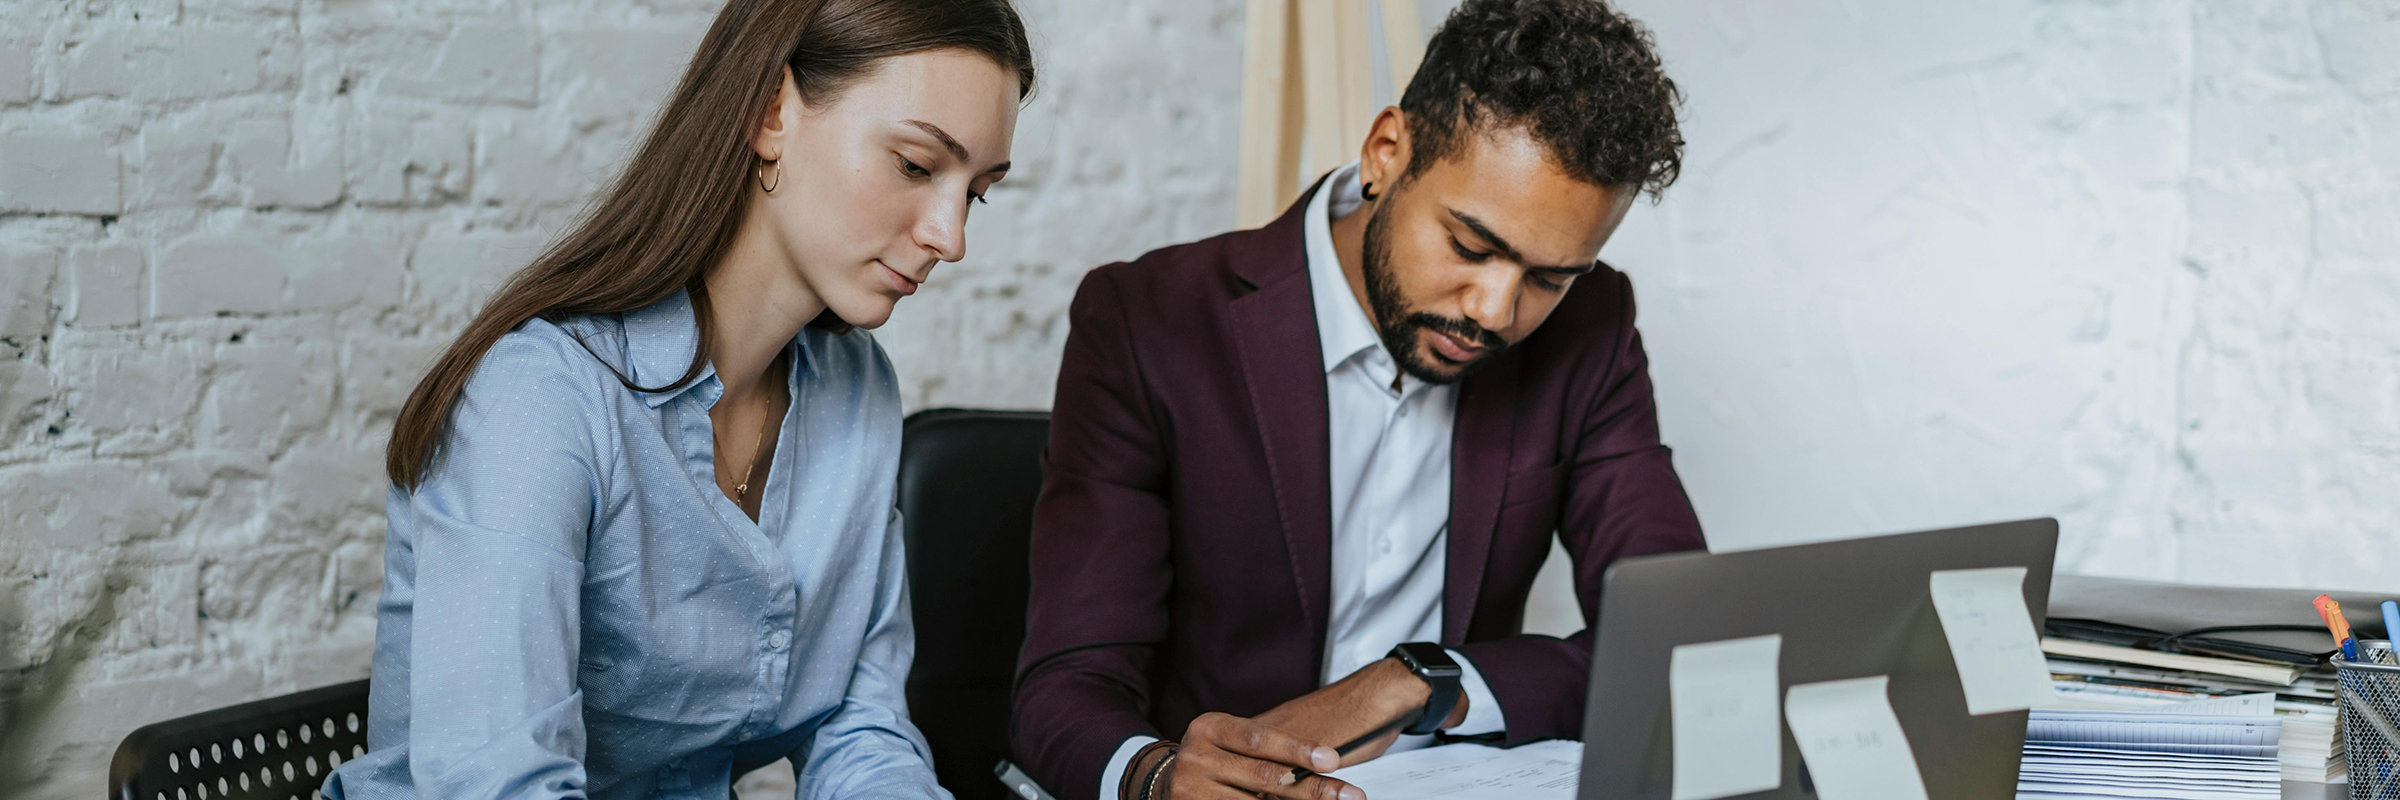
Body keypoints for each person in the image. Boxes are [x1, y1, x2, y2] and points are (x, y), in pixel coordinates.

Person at [322, 1, 1033, 798]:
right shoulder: (540, 399)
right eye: (914, 164)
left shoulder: (855, 390)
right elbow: (501, 787)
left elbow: (857, 729)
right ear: (771, 111)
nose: (951, 237)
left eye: (976, 192)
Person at [1008, 1, 1703, 798]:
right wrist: (1157, 777)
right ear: (1386, 153)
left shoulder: (1590, 327)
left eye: (1549, 277)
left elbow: (1676, 639)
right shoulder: (1151, 321)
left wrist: (1421, 682)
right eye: (1471, 246)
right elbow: (1062, 687)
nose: (1496, 311)